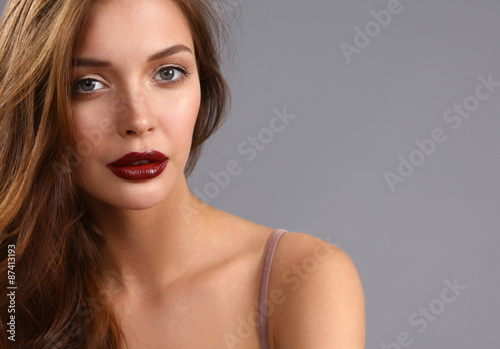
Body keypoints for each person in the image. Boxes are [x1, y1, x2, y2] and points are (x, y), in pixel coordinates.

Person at [0, 0, 365, 347]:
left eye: (168, 73)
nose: (138, 121)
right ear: (33, 105)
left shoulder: (302, 280)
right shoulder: (13, 288)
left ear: (202, 88)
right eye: (89, 84)